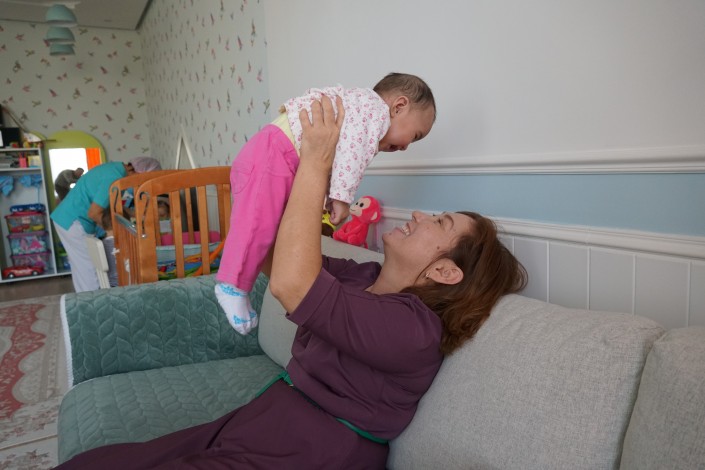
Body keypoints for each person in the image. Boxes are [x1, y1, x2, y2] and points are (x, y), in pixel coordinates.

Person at [55, 96, 527, 469]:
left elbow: (292, 285)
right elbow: (274, 260)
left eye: (440, 223)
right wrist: (266, 184)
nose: (421, 215)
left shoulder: (414, 328)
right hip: (272, 413)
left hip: (322, 448)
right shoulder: (364, 275)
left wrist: (317, 164)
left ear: (445, 272)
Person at [216, 72, 438, 334]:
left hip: (278, 155)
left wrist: (328, 195)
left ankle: (237, 283)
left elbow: (336, 158)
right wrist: (341, 198)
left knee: (264, 226)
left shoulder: (359, 112)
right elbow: (351, 157)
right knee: (256, 222)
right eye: (415, 135)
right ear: (398, 106)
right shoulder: (374, 112)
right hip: (274, 152)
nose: (406, 147)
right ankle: (232, 285)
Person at [50, 157, 161, 292]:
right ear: (140, 173)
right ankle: (93, 300)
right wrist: (111, 233)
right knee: (91, 267)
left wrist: (135, 214)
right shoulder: (113, 178)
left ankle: (87, 298)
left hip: (67, 218)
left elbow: (111, 203)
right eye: (143, 181)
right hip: (73, 221)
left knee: (82, 267)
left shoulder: (115, 170)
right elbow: (94, 213)